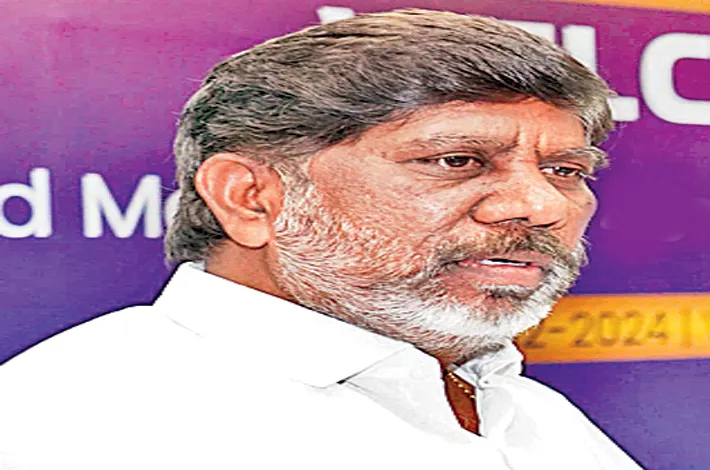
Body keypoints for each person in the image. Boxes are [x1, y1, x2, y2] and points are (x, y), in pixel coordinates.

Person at [0, 9, 641, 470]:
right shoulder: (83, 425)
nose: (540, 206)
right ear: (250, 197)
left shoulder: (527, 409)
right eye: (456, 161)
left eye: (566, 171)